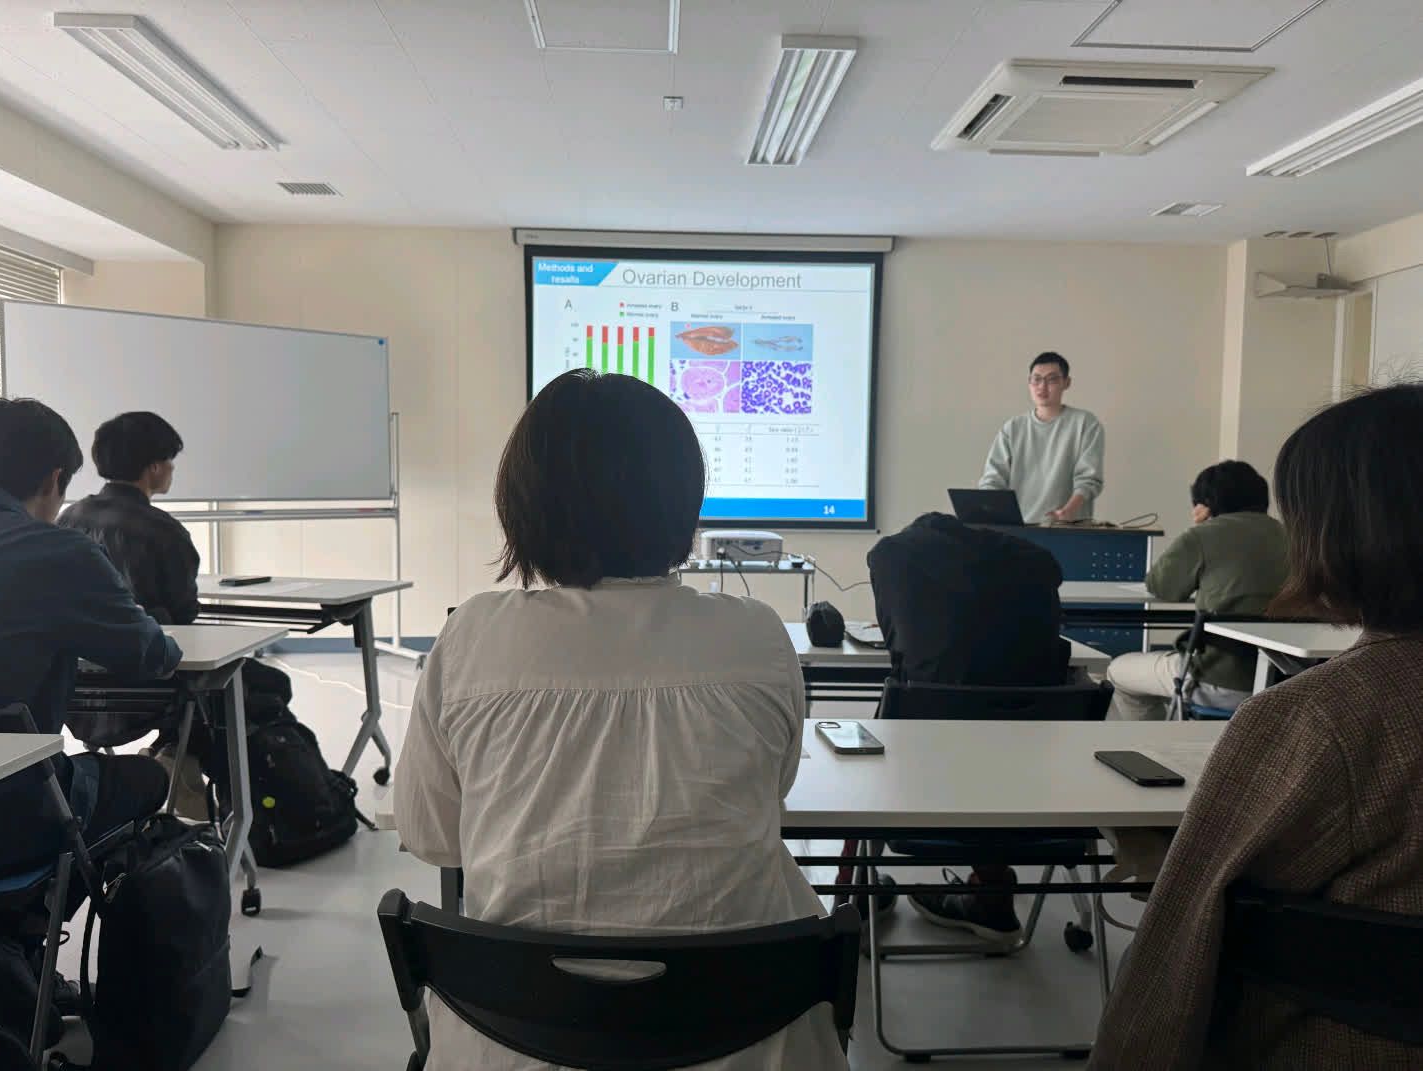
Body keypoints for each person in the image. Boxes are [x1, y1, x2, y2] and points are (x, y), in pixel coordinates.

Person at [395, 369, 846, 1071]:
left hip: (517, 1036)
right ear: (682, 500)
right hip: (748, 1033)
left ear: (521, 506)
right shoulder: (758, 635)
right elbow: (773, 792)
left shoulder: (471, 637)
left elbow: (433, 834)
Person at [1089, 385, 1423, 1070]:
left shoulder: (1316, 723)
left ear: (1338, 535)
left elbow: (1174, 958)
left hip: (1331, 1048)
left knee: (1119, 673)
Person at [0, 399, 180, 1015]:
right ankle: (22, 937)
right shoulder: (53, 552)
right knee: (149, 781)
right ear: (54, 479)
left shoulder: (68, 533)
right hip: (13, 810)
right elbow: (152, 654)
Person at [867, 513, 1070, 944]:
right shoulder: (1032, 566)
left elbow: (900, 655)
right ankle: (990, 894)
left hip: (919, 798)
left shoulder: (895, 560)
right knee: (995, 744)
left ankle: (856, 892)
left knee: (859, 745)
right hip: (1043, 805)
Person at [1106, 460, 1287, 721]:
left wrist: (1199, 529)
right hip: (1286, 684)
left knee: (1118, 671)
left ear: (1205, 504)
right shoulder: (1295, 537)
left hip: (1219, 679)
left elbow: (1162, 586)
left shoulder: (1204, 536)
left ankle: (1151, 742)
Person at [59, 411, 200, 625]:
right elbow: (184, 612)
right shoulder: (165, 530)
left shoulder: (69, 517)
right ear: (154, 467)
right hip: (151, 641)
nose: (172, 466)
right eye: (170, 459)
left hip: (80, 640)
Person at [979, 352, 1104, 523]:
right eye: (1036, 379)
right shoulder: (1013, 428)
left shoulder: (1085, 423)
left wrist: (1068, 511)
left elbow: (1089, 479)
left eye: (1052, 380)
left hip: (1069, 526)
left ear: (1066, 383)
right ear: (1029, 383)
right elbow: (993, 479)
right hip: (1020, 527)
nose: (1042, 386)